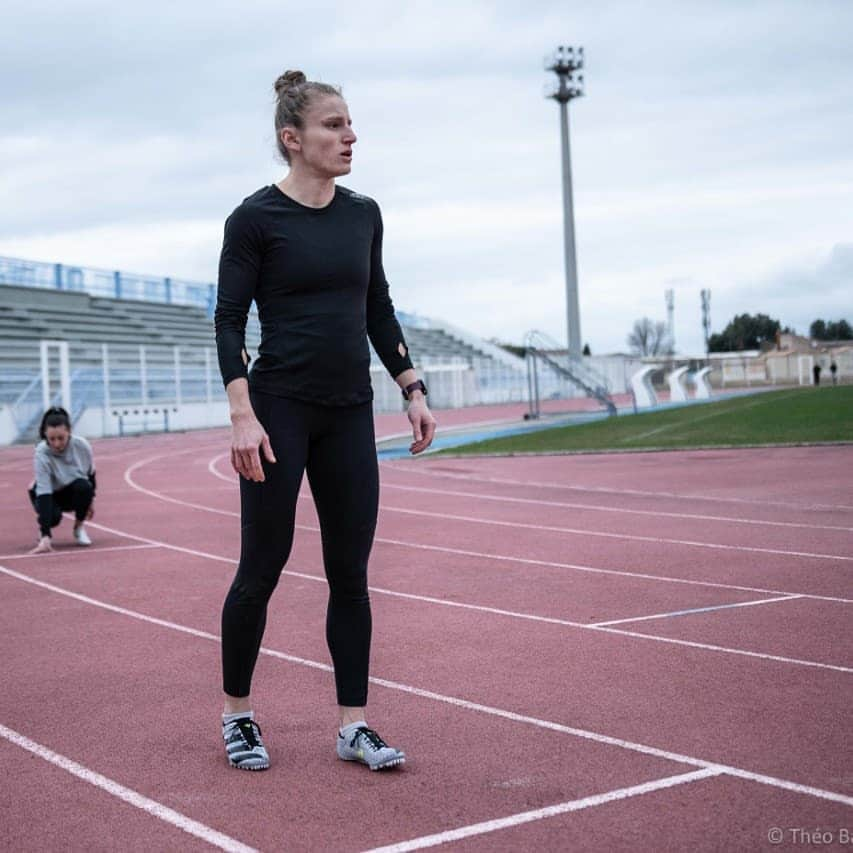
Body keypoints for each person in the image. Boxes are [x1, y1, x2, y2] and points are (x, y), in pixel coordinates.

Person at [214, 70, 436, 772]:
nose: (350, 135)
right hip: (278, 411)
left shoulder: (362, 214)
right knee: (262, 566)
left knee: (350, 572)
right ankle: (238, 714)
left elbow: (378, 306)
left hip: (348, 414)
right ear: (293, 138)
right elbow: (227, 319)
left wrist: (411, 385)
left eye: (349, 123)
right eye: (333, 124)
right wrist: (242, 414)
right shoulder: (253, 219)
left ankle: (352, 724)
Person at [28, 407, 96, 553]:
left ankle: (78, 528)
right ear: (45, 434)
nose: (57, 444)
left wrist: (91, 502)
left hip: (69, 490)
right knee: (54, 518)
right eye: (51, 439)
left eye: (61, 438)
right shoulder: (41, 453)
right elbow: (44, 493)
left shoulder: (82, 446)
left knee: (85, 488)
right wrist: (46, 534)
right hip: (47, 494)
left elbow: (91, 475)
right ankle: (43, 532)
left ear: (69, 432)